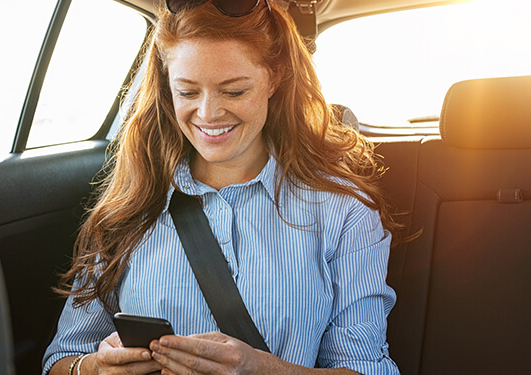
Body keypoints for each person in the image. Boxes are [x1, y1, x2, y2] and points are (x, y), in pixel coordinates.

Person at [43, 0, 402, 374]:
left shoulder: (343, 210)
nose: (209, 114)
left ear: (274, 78)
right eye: (187, 92)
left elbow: (367, 368)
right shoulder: (131, 204)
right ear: (167, 85)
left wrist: (261, 369)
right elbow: (60, 359)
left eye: (233, 92)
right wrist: (94, 369)